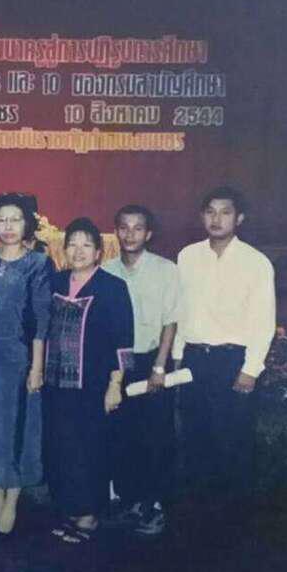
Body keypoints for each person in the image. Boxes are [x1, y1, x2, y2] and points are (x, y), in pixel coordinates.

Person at [172, 185, 276, 526]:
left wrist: (251, 369)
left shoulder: (255, 262)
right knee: (195, 435)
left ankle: (233, 520)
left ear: (239, 218)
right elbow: (181, 310)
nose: (217, 219)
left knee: (232, 438)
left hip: (232, 361)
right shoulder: (187, 256)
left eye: (225, 212)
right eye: (210, 212)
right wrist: (177, 355)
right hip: (193, 359)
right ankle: (197, 516)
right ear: (202, 216)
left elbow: (263, 321)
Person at [44, 218, 134, 544]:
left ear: (98, 252)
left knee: (89, 449)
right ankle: (69, 510)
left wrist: (115, 385)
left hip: (93, 385)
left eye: (86, 245)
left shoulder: (112, 287)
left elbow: (124, 342)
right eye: (72, 244)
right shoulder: (54, 282)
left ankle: (89, 515)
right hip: (55, 384)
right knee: (60, 447)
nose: (78, 251)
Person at [0, 193, 53, 535]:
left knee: (21, 429)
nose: (8, 226)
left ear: (27, 224)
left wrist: (37, 367)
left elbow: (42, 320)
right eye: (2, 219)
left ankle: (12, 504)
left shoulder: (38, 263)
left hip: (22, 357)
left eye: (15, 219)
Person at [102, 205, 179, 536]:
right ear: (116, 231)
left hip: (151, 360)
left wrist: (160, 366)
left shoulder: (165, 270)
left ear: (148, 234)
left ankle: (155, 505)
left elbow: (170, 322)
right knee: (122, 434)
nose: (130, 234)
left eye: (137, 228)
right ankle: (130, 500)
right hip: (120, 363)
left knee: (155, 435)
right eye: (124, 227)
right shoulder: (106, 271)